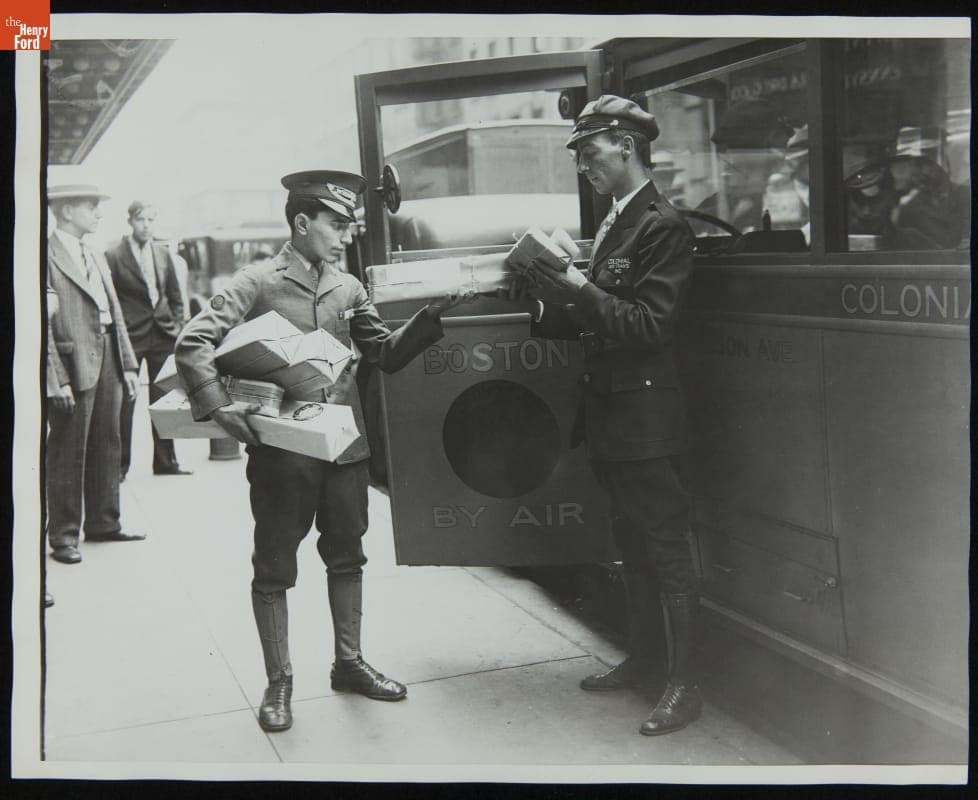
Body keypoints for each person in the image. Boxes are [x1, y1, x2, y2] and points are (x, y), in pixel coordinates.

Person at [174, 170, 472, 733]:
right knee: (274, 567)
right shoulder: (257, 281)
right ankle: (279, 682)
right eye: (336, 224)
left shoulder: (349, 287)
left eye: (348, 225)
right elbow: (194, 341)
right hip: (283, 455)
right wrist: (219, 408)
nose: (344, 235)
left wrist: (432, 315)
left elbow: (383, 354)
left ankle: (349, 664)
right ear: (301, 222)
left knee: (347, 556)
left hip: (343, 451)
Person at [511, 96, 701, 737]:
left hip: (645, 418)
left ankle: (685, 685)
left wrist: (575, 283)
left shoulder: (661, 226)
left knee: (666, 548)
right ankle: (647, 661)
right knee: (633, 544)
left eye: (589, 152)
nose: (583, 166)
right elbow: (600, 316)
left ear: (626, 145)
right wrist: (541, 296)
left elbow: (647, 325)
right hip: (615, 415)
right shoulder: (622, 221)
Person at [46, 184, 144, 565]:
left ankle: (104, 522)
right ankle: (63, 535)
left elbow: (114, 312)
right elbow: (41, 325)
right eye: (91, 207)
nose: (99, 214)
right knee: (68, 451)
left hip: (107, 358)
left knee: (109, 442)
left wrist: (128, 365)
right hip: (72, 363)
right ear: (67, 211)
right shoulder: (45, 256)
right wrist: (56, 378)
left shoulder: (95, 254)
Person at [105, 201, 191, 480]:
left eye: (151, 220)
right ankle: (119, 467)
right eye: (141, 219)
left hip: (163, 333)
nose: (146, 225)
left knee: (164, 400)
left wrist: (177, 326)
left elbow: (175, 294)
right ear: (130, 221)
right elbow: (111, 299)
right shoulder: (114, 254)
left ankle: (165, 462)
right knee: (126, 402)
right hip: (131, 336)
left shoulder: (163, 253)